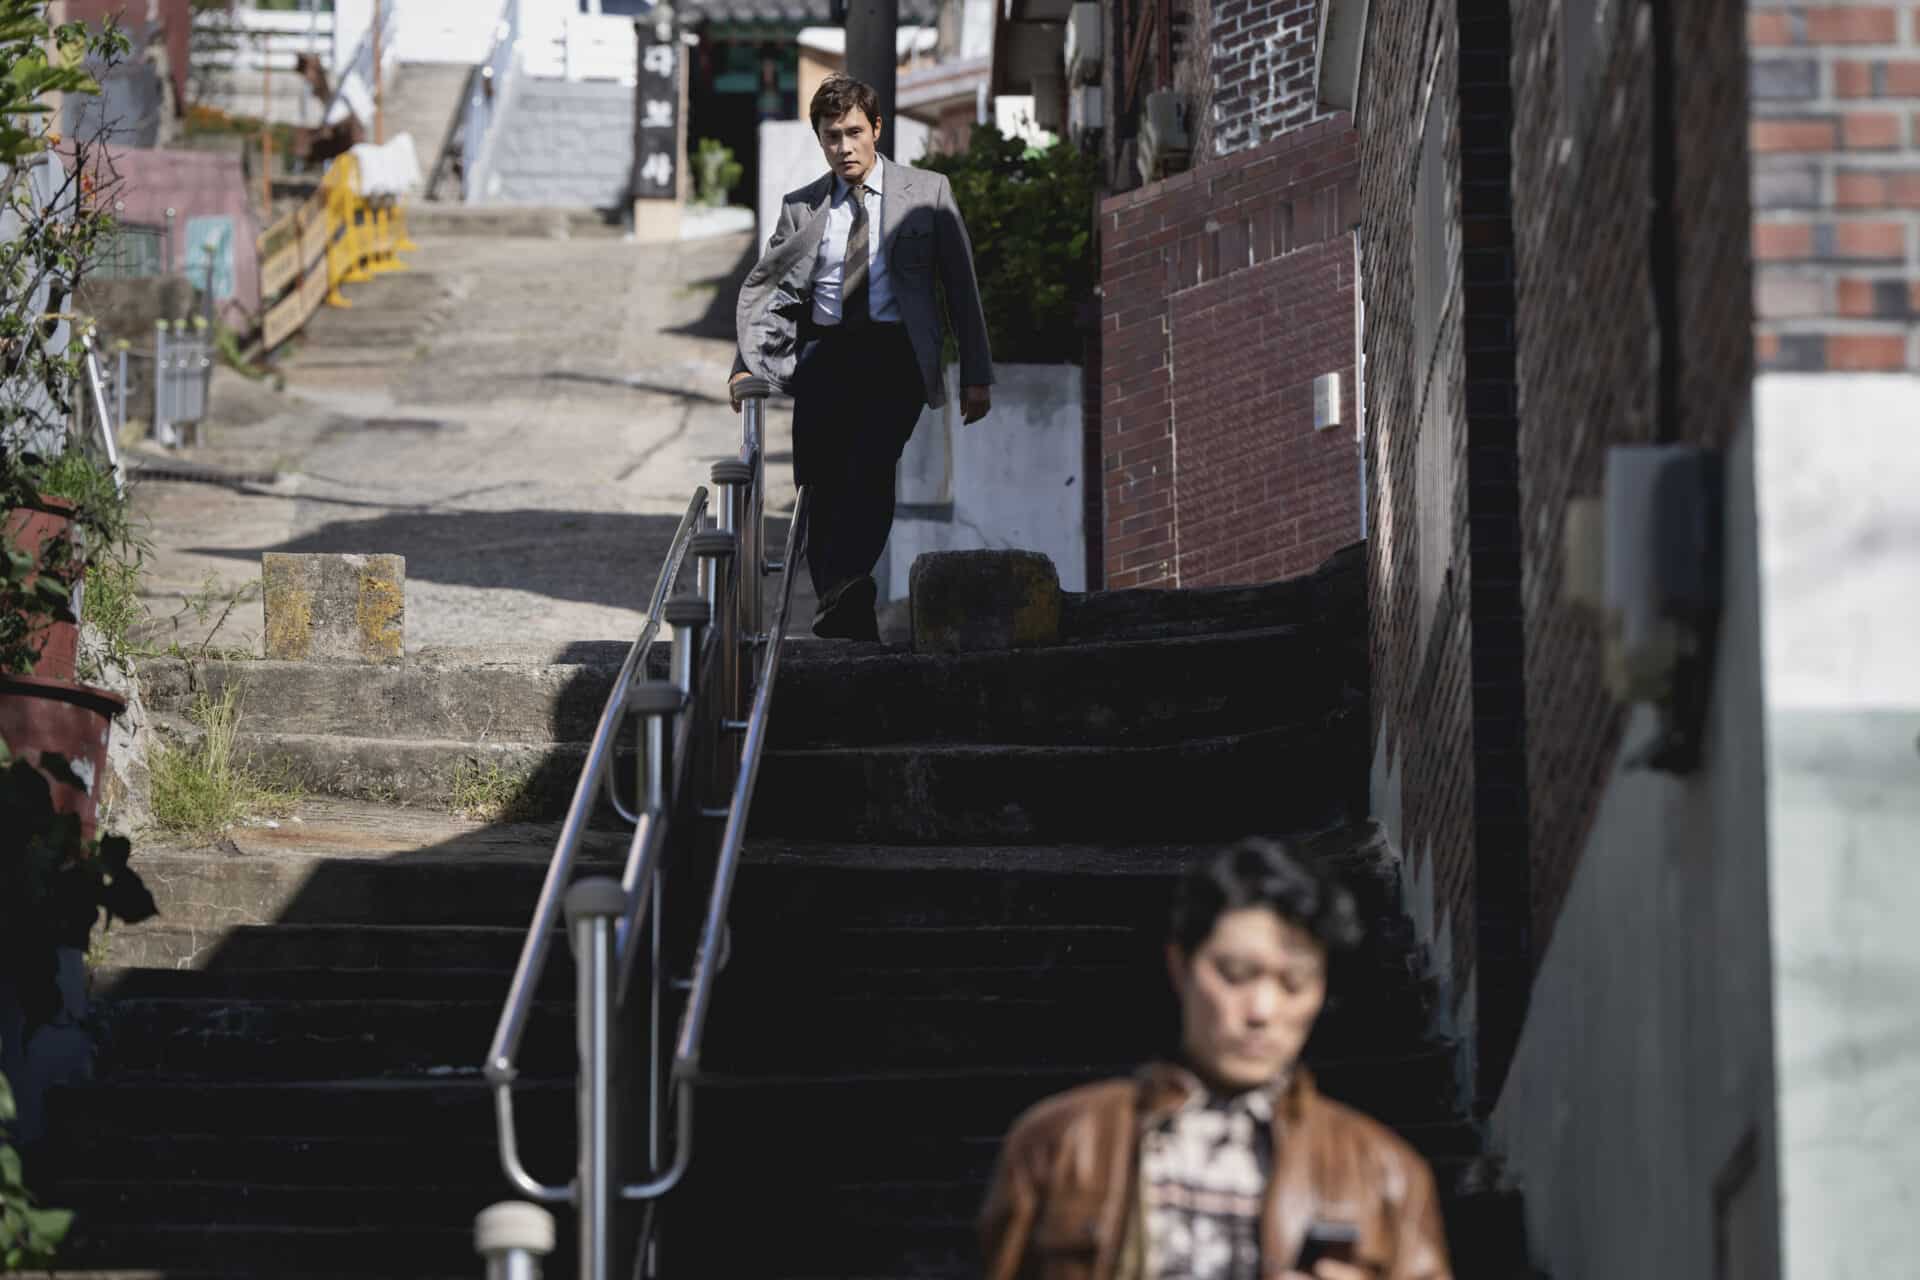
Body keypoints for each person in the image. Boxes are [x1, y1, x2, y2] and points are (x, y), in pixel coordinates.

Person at [979, 838, 1454, 1280]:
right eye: (1235, 974)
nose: (1261, 1010)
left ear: (1322, 988)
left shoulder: (1388, 1173)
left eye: (1294, 983)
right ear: (1180, 966)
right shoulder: (1060, 1143)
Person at [730, 74, 994, 641]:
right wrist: (743, 363)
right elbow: (770, 290)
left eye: (853, 133)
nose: (844, 147)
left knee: (870, 467)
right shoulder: (801, 208)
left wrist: (977, 375)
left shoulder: (928, 193)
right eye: (832, 137)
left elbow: (961, 288)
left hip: (896, 357)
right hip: (823, 356)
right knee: (816, 481)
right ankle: (842, 605)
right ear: (820, 140)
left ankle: (844, 590)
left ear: (877, 129)